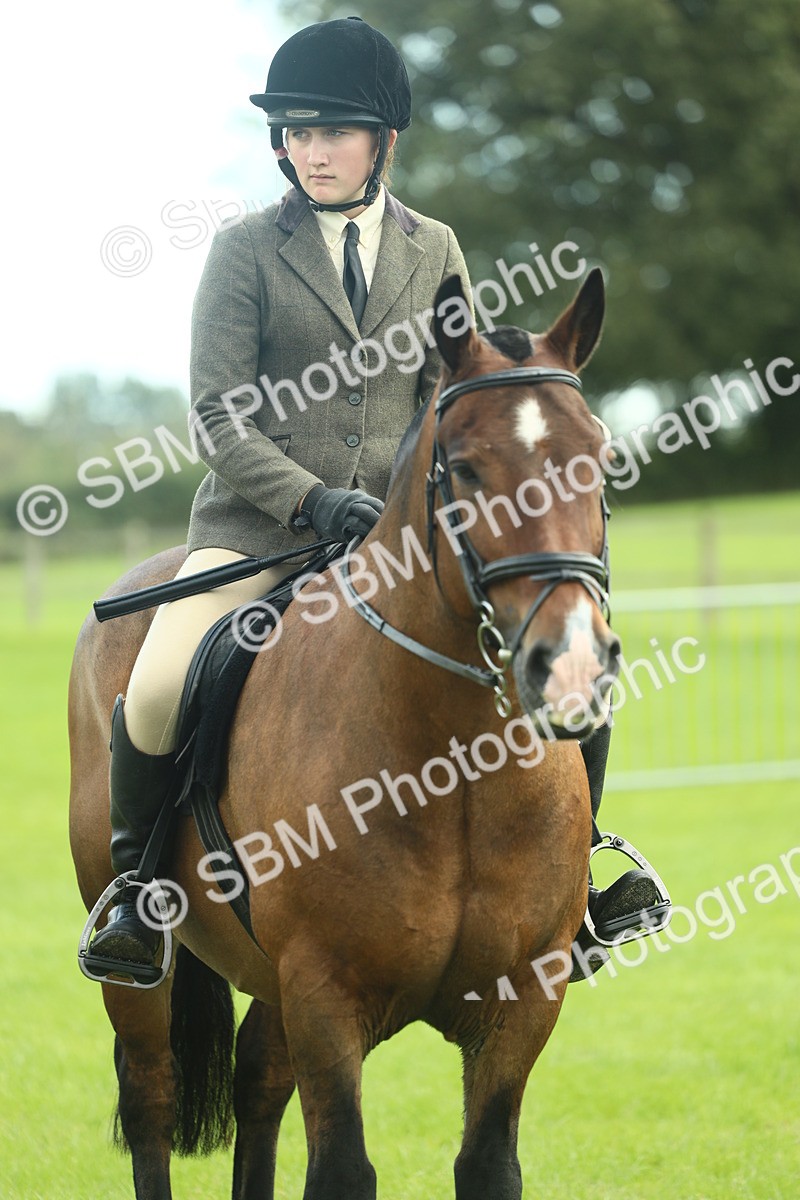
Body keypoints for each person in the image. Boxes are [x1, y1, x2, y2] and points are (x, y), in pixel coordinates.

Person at [86, 16, 668, 982]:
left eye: (333, 131)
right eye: (296, 132)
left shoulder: (433, 246)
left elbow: (462, 393)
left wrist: (421, 503)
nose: (311, 150)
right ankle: (139, 895)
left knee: (570, 662)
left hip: (399, 543)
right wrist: (313, 501)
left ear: (382, 141)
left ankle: (584, 880)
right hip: (257, 534)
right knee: (157, 683)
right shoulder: (242, 254)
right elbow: (219, 417)